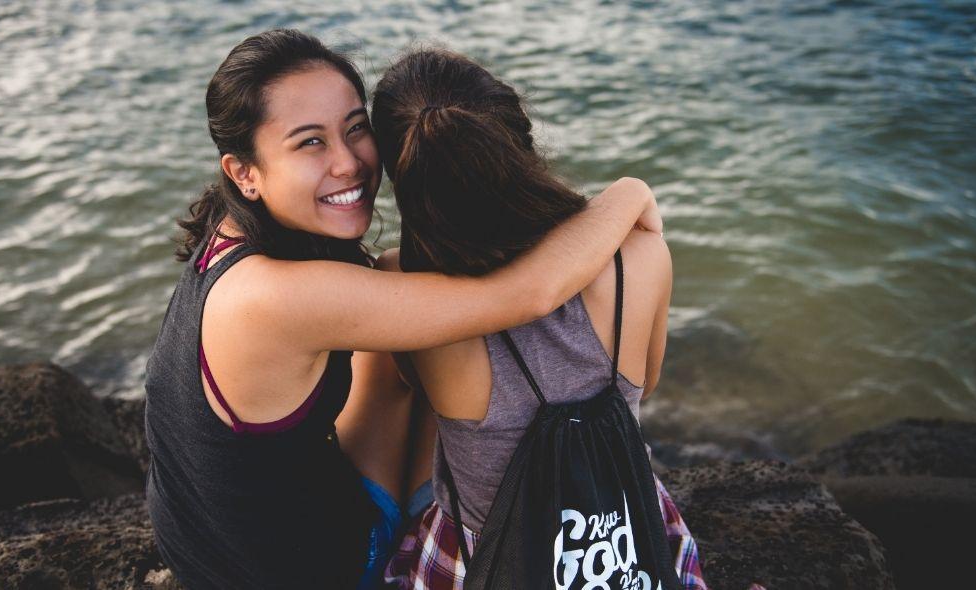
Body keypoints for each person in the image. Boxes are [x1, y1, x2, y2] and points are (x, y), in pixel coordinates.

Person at [143, 30, 664, 590]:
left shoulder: (229, 237)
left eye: (355, 128)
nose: (349, 163)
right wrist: (628, 194)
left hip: (203, 540)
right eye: (310, 143)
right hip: (309, 571)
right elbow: (526, 297)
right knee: (417, 355)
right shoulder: (284, 297)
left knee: (416, 348)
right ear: (242, 171)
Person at [371, 48, 707, 589]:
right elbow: (651, 378)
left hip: (488, 559)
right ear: (519, 133)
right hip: (615, 534)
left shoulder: (401, 290)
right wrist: (627, 191)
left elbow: (408, 387)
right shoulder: (639, 257)